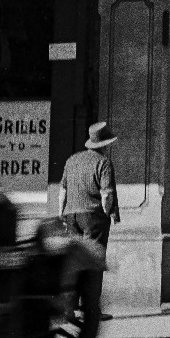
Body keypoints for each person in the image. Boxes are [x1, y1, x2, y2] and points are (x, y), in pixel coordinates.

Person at [59, 121, 120, 311]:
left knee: (73, 262)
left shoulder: (72, 160)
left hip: (71, 215)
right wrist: (109, 212)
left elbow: (62, 190)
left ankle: (69, 307)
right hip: (93, 218)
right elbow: (106, 194)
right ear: (105, 144)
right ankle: (91, 309)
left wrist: (61, 212)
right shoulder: (103, 162)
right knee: (93, 262)